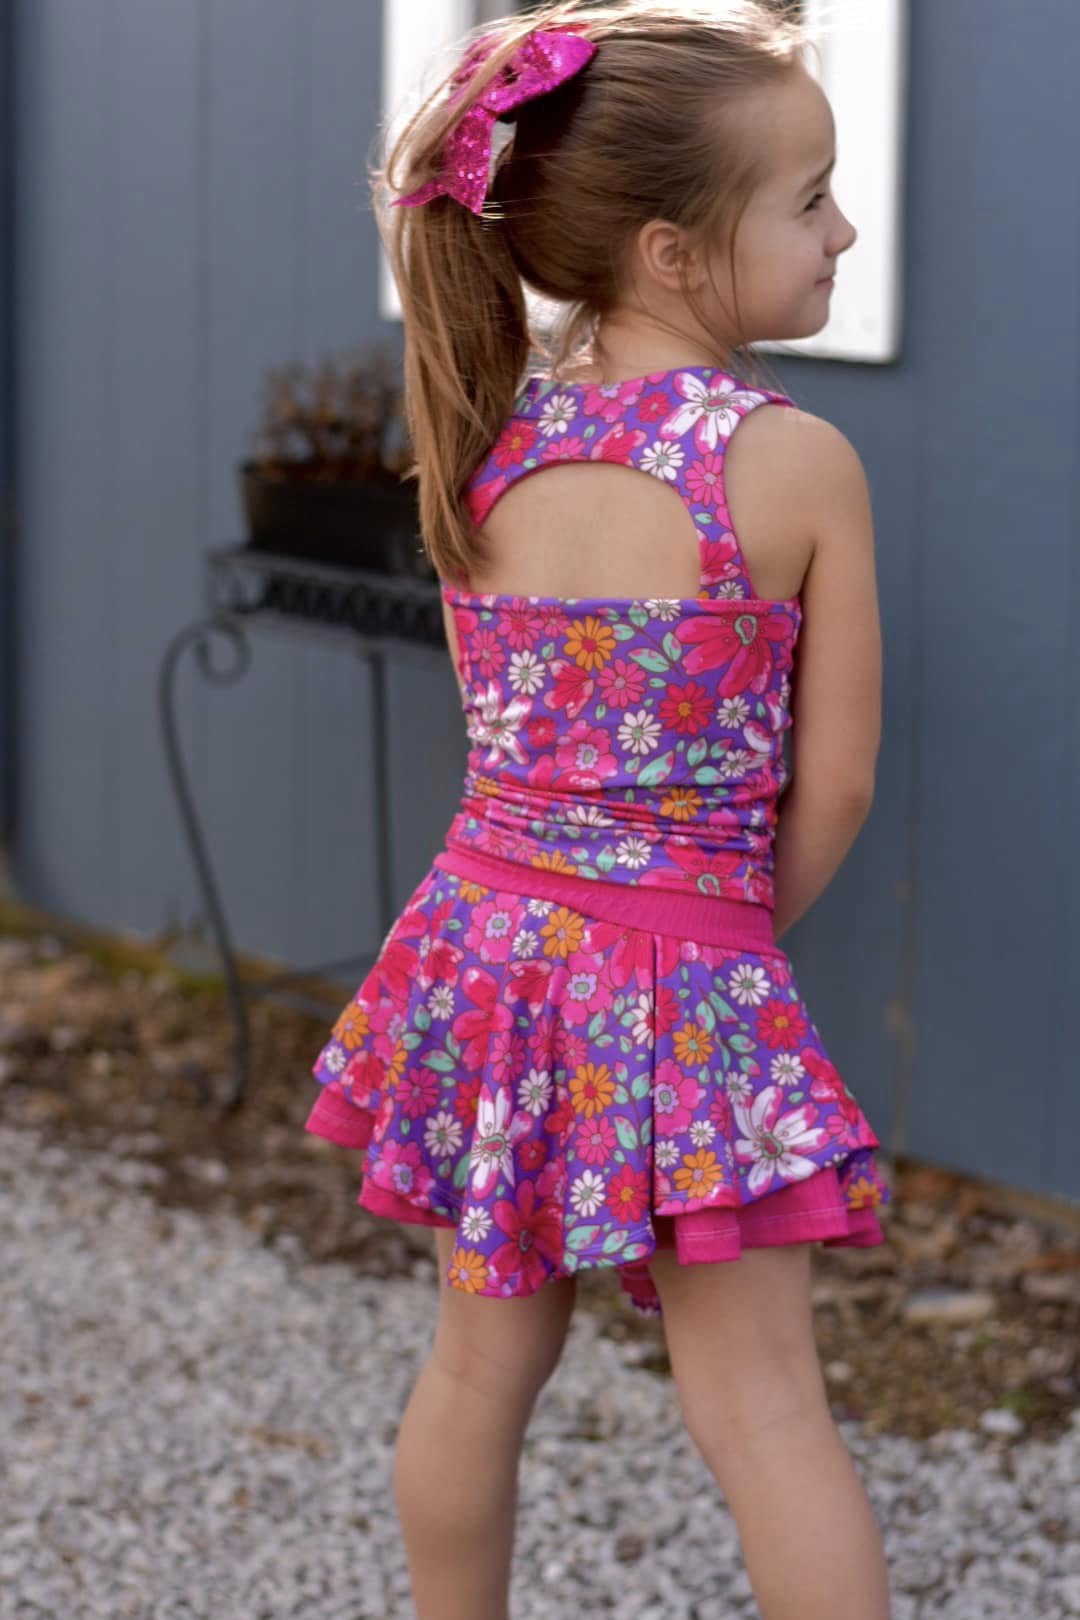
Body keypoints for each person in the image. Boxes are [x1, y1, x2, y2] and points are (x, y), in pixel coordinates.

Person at [304, 4, 892, 1616]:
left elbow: (499, 749)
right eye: (811, 201)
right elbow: (837, 777)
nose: (845, 231)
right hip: (687, 967)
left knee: (475, 1369)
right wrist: (720, 949)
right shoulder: (793, 463)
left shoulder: (484, 449)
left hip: (485, 957)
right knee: (767, 1413)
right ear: (674, 252)